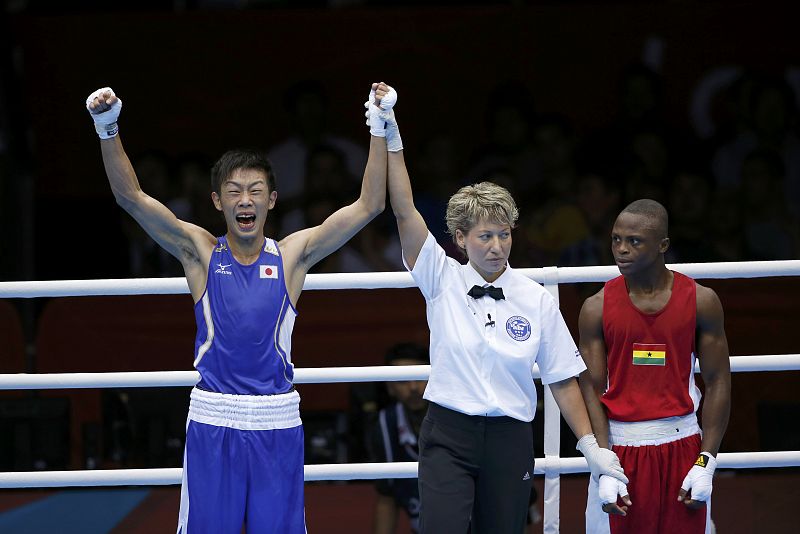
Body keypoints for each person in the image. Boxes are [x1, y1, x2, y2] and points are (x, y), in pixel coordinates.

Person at [86, 83, 389, 533]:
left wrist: (380, 128)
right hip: (214, 418)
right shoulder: (200, 253)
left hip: (277, 419)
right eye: (233, 191)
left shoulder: (292, 256)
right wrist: (107, 128)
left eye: (254, 190)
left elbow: (370, 205)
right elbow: (131, 198)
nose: (244, 200)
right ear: (217, 201)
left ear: (272, 199)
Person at [369, 84, 629, 533]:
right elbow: (405, 210)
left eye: (503, 234)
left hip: (510, 438)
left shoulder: (535, 297)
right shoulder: (440, 276)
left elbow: (563, 379)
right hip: (448, 433)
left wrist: (591, 447)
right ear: (461, 239)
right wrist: (392, 136)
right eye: (485, 236)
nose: (496, 246)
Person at [579, 199, 731, 534]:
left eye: (634, 241)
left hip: (682, 444)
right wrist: (603, 462)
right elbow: (590, 388)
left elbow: (718, 380)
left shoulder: (702, 301)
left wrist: (706, 462)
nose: (621, 249)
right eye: (616, 239)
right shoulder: (596, 307)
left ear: (662, 245)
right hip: (619, 448)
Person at [370, 343, 429, 534]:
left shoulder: (461, 415)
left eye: (420, 377)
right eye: (403, 380)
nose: (413, 387)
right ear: (390, 387)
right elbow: (387, 499)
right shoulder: (386, 425)